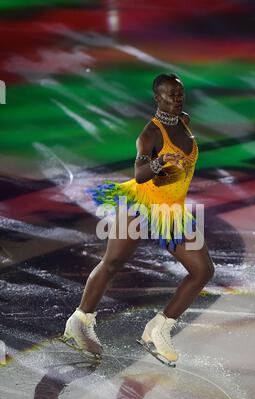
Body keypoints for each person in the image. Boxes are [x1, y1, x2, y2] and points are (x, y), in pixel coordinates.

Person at [62, 73, 215, 366]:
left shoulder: (184, 120)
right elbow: (140, 174)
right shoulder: (149, 134)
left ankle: (158, 329)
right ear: (157, 98)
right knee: (113, 263)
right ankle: (80, 321)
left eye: (180, 94)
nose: (177, 99)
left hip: (171, 210)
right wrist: (164, 160)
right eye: (170, 95)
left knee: (202, 270)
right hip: (141, 205)